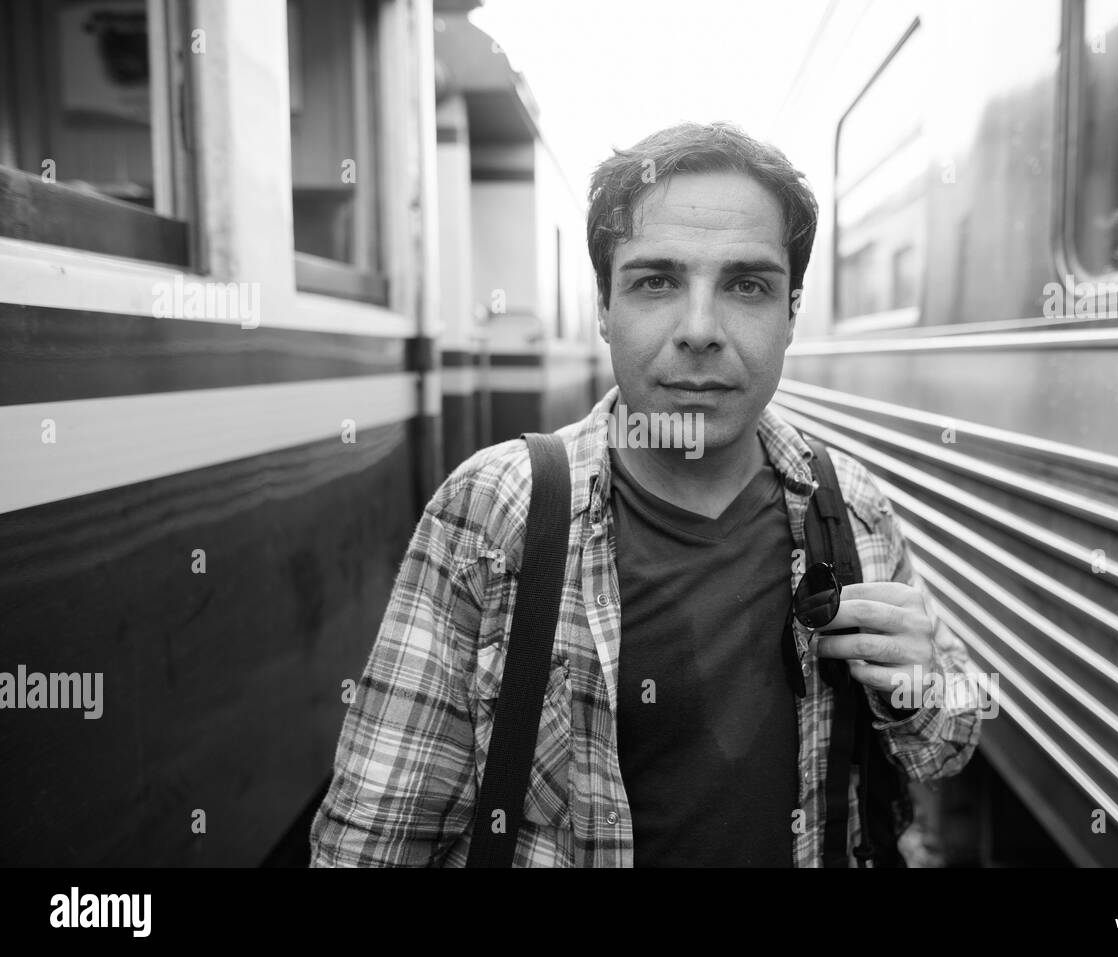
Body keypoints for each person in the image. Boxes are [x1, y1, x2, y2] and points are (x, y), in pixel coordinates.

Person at [310, 121, 982, 867]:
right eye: (656, 281)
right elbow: (375, 842)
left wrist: (918, 683)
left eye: (747, 285)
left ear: (792, 314)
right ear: (603, 306)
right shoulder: (494, 512)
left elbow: (943, 749)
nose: (700, 330)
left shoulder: (848, 505)